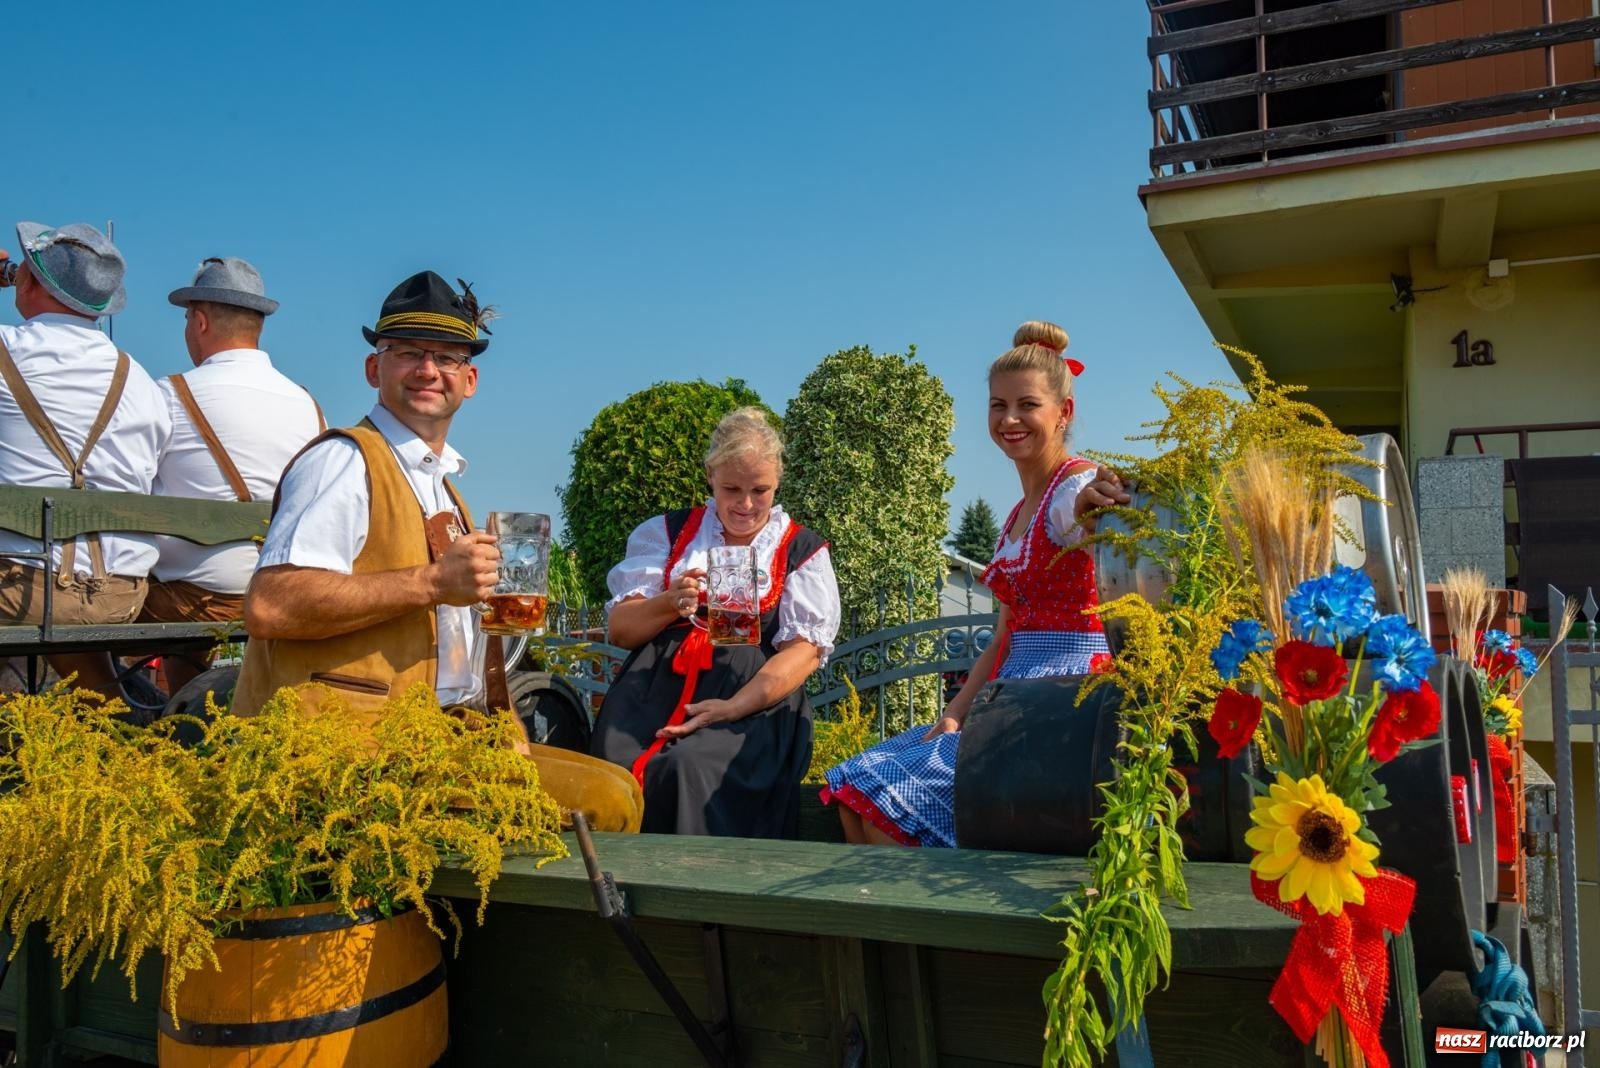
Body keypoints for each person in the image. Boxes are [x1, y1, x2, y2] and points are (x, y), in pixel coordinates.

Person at [234, 271, 642, 831]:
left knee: (622, 783)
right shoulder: (344, 462)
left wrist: (507, 732)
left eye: (447, 357)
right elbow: (270, 606)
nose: (428, 370)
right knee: (607, 805)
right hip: (355, 750)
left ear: (469, 379)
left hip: (438, 735)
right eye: (408, 352)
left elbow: (462, 655)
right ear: (375, 369)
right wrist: (430, 582)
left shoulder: (443, 487)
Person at [823, 321, 1128, 847]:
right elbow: (1006, 632)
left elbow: (1076, 513)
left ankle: (922, 922)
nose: (1010, 419)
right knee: (857, 788)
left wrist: (1090, 506)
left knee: (880, 807)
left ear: (1064, 413)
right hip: (1008, 690)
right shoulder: (1014, 518)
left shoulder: (1073, 484)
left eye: (1027, 405)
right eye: (997, 405)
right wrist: (954, 713)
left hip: (1065, 697)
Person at [590, 407, 841, 837]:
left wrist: (733, 707)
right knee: (613, 770)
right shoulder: (667, 533)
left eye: (759, 490)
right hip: (652, 691)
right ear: (710, 475)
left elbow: (803, 653)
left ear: (778, 479)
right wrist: (670, 602)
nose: (745, 504)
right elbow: (623, 630)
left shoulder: (800, 548)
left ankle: (693, 895)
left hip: (752, 703)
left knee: (687, 768)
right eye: (731, 488)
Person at [0, 222, 171, 700]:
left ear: (27, 282)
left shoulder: (7, 350)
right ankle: (106, 708)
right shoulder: (138, 379)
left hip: (23, 589)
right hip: (120, 595)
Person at [142, 257, 326, 694]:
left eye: (187, 318)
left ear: (201, 322)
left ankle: (153, 715)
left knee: (108, 599)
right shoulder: (307, 404)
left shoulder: (168, 394)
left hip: (198, 599)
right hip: (288, 592)